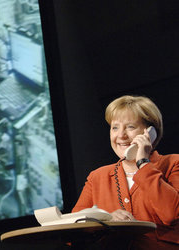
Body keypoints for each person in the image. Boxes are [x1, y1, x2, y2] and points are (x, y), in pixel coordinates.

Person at [72, 95, 179, 249]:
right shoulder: (97, 177)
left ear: (150, 132)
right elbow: (73, 228)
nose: (121, 135)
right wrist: (105, 219)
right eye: (115, 127)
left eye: (130, 127)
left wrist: (143, 162)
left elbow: (170, 214)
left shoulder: (174, 163)